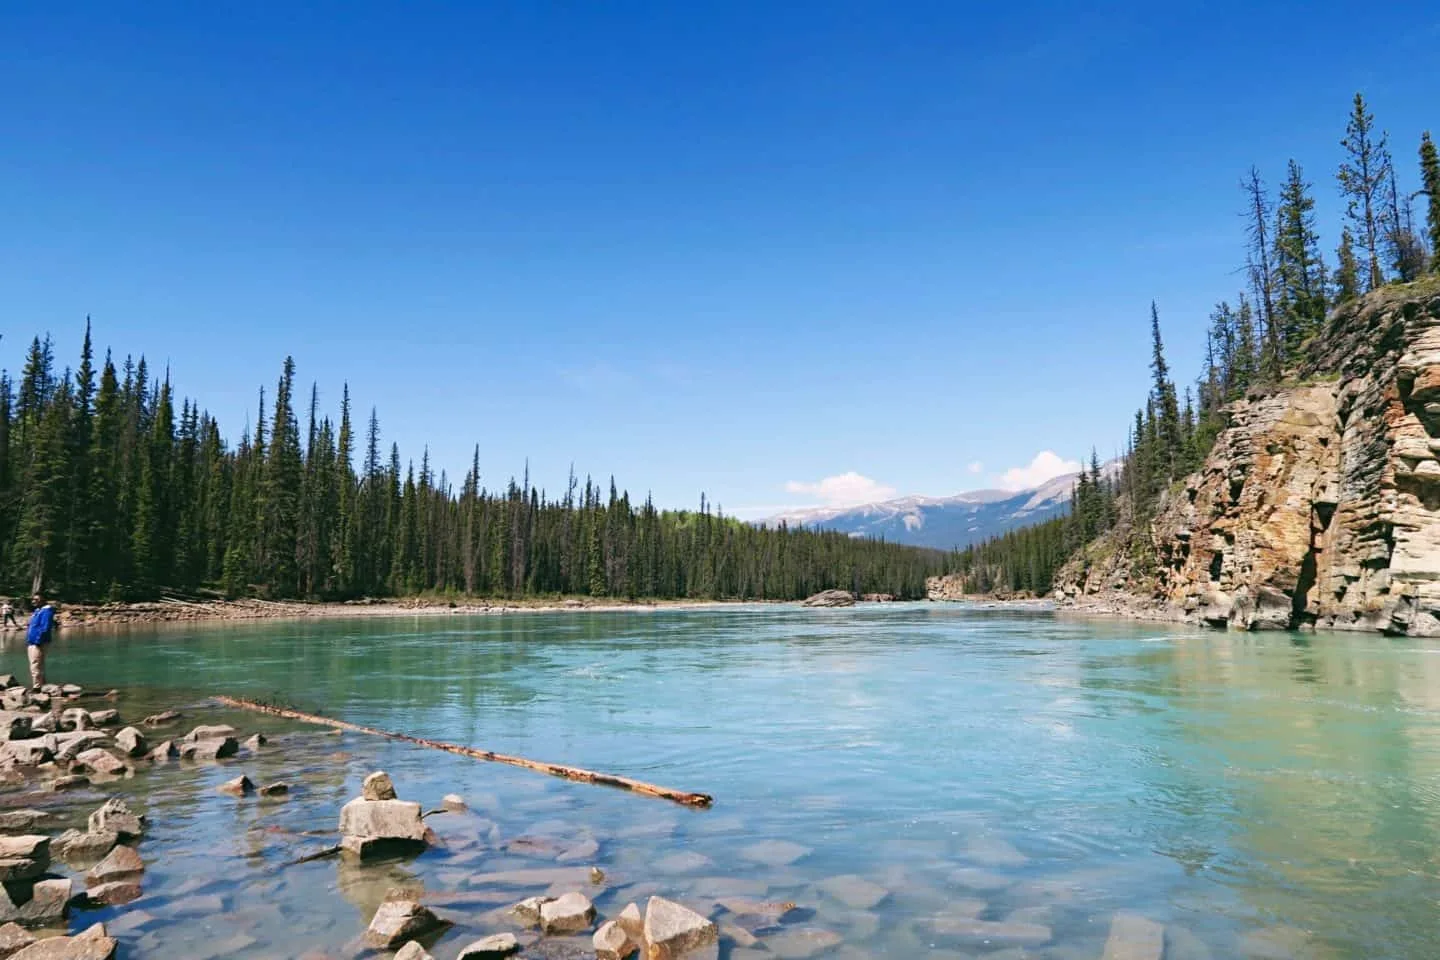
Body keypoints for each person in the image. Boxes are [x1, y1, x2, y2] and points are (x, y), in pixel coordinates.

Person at [25, 593, 57, 690]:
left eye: (36, 599)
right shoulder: (38, 610)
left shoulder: (46, 611)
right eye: (33, 599)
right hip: (32, 641)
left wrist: (38, 641)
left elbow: (45, 627)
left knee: (35, 664)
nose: (34, 601)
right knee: (37, 664)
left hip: (38, 642)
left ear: (43, 600)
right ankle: (42, 684)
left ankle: (37, 687)